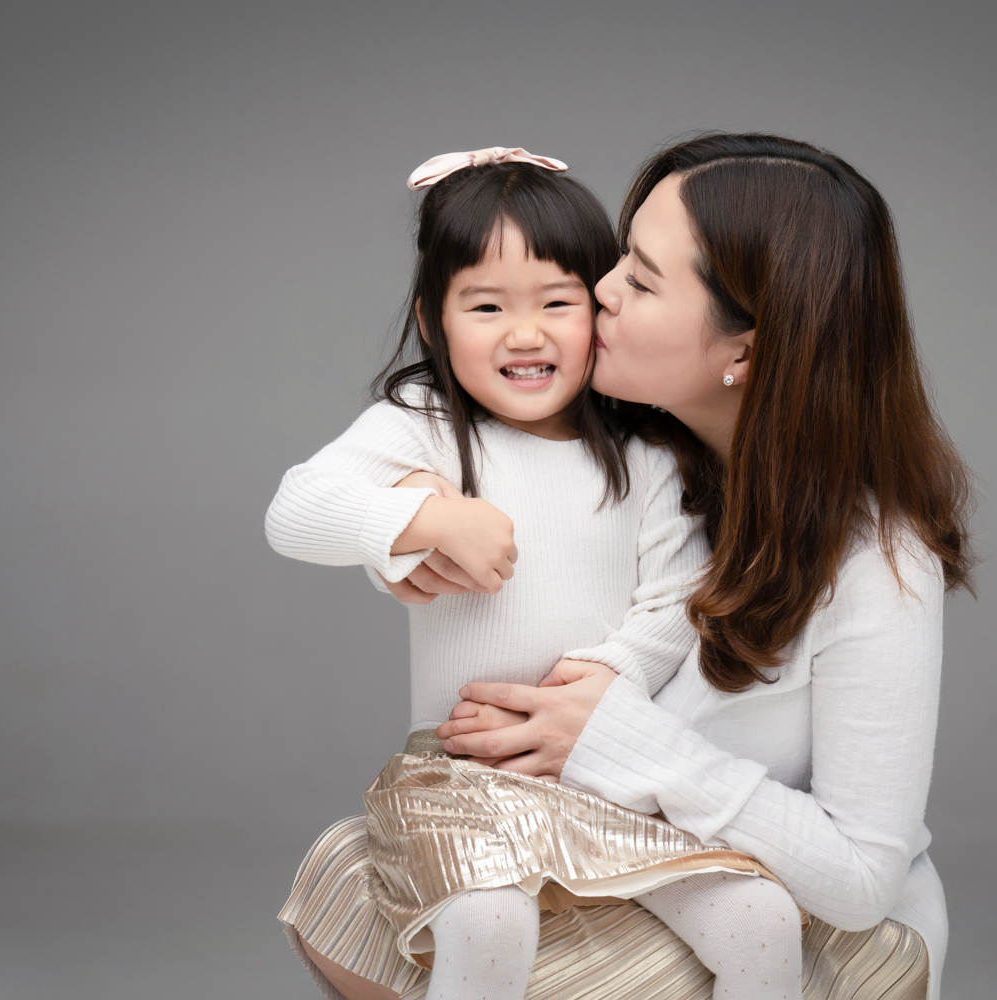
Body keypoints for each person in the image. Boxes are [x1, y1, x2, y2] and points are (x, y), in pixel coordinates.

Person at [429, 133, 976, 1000]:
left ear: (746, 352)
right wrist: (410, 533)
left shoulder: (877, 559)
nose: (595, 290)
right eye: (619, 258)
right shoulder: (627, 459)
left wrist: (613, 741)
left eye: (640, 280)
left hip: (814, 942)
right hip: (627, 887)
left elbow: (863, 879)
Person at [266, 147, 807, 1000]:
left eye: (558, 302)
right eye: (485, 306)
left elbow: (676, 603)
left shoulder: (644, 453)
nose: (525, 333)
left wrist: (595, 690)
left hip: (603, 773)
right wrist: (424, 517)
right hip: (462, 776)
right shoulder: (425, 425)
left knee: (762, 918)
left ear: (604, 310)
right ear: (431, 319)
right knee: (489, 921)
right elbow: (295, 510)